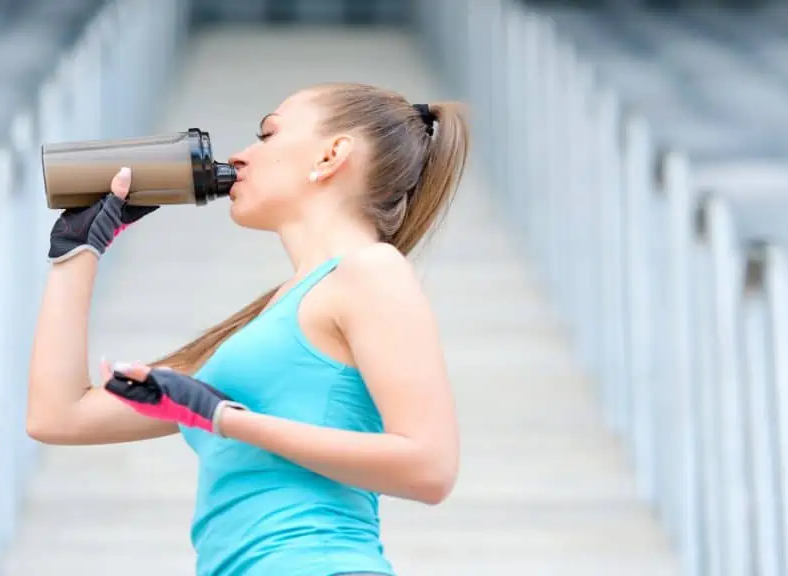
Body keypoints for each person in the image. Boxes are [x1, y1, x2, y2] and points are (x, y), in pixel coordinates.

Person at [26, 82, 470, 576]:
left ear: (331, 155)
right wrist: (78, 251)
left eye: (268, 134)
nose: (240, 157)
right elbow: (59, 417)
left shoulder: (371, 270)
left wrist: (226, 418)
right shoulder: (260, 326)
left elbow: (430, 467)